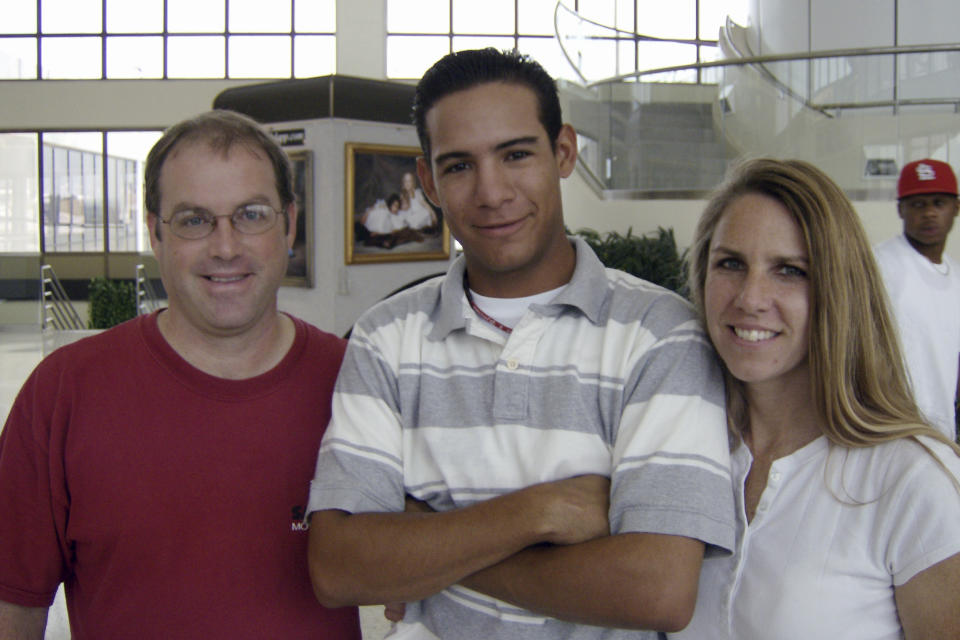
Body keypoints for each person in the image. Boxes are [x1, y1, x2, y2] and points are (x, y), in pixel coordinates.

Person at [306, 48, 735, 639]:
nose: (492, 192)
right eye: (458, 166)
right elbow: (339, 567)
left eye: (515, 155)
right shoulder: (385, 337)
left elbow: (656, 589)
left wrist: (428, 542)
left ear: (563, 152)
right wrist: (540, 513)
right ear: (427, 181)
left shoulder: (661, 335)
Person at [0, 110, 361, 639]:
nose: (225, 247)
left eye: (251, 214)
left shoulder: (355, 383)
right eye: (194, 220)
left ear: (290, 223)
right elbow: (14, 607)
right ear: (154, 232)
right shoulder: (64, 393)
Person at [674, 158, 960, 639]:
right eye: (730, 263)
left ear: (839, 289)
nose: (750, 297)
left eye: (789, 270)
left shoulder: (915, 480)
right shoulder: (681, 452)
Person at [874, 158, 960, 439]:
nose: (930, 214)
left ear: (956, 208)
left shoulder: (956, 277)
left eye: (938, 203)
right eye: (918, 204)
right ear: (901, 209)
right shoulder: (877, 265)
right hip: (887, 430)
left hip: (941, 431)